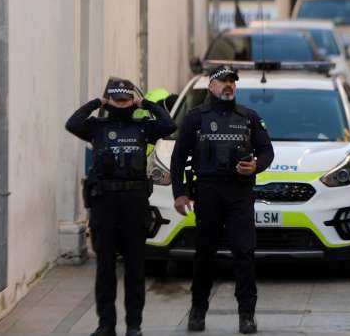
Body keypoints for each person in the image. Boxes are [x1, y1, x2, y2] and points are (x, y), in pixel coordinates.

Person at [65, 78, 177, 336]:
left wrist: (145, 103)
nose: (122, 105)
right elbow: (72, 123)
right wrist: (97, 102)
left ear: (132, 101)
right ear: (110, 101)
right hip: (105, 206)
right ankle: (106, 325)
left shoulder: (142, 128)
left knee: (136, 269)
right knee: (105, 268)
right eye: (117, 100)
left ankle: (134, 325)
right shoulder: (97, 127)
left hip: (134, 207)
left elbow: (168, 124)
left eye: (126, 100)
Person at [170, 65, 274, 334]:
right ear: (211, 86)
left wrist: (256, 166)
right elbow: (178, 157)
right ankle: (198, 310)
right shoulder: (196, 118)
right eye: (222, 81)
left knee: (244, 253)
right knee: (204, 254)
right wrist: (179, 193)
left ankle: (247, 315)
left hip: (240, 194)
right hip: (208, 192)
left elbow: (266, 151)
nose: (228, 85)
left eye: (232, 81)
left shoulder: (248, 117)